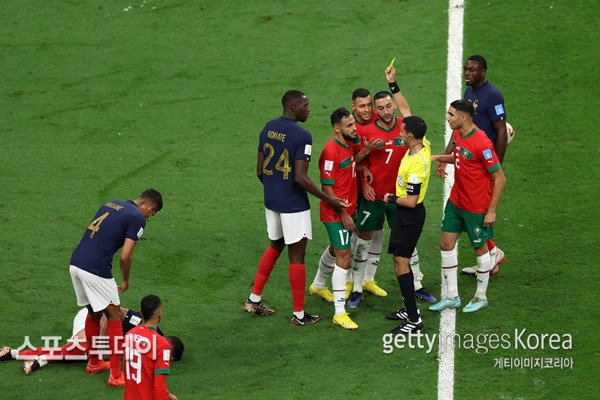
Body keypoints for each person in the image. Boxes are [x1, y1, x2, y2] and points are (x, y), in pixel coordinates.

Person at [244, 90, 348, 326]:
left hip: (271, 200)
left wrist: (275, 189)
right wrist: (328, 199)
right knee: (297, 257)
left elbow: (260, 171)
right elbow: (301, 177)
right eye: (305, 105)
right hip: (293, 204)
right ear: (293, 108)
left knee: (276, 245)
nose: (309, 109)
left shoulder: (268, 128)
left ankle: (254, 299)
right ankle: (299, 315)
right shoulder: (302, 136)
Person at [349, 66, 435, 308]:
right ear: (374, 111)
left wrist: (393, 84)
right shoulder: (365, 130)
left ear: (394, 106)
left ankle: (417, 284)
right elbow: (353, 162)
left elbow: (407, 109)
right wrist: (365, 176)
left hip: (400, 198)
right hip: (374, 195)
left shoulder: (405, 129)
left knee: (409, 244)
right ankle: (357, 287)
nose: (385, 111)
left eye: (389, 106)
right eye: (380, 108)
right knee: (363, 240)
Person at [69, 189, 163, 386]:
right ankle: (116, 375)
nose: (148, 217)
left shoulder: (111, 204)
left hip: (76, 263)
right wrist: (126, 280)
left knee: (94, 313)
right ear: (150, 207)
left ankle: (94, 363)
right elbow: (125, 256)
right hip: (96, 268)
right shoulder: (138, 218)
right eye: (151, 214)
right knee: (116, 317)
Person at [429, 100, 506, 313]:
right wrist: (438, 158)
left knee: (480, 249)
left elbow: (499, 178)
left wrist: (491, 210)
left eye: (451, 114)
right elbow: (461, 156)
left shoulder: (483, 143)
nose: (447, 117)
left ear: (463, 117)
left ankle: (480, 297)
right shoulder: (458, 134)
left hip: (477, 207)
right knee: (446, 244)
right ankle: (452, 295)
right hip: (456, 202)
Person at [437, 55, 508, 275]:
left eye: (472, 70)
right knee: (469, 208)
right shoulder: (469, 92)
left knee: (477, 210)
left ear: (483, 72)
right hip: (469, 159)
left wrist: (495, 165)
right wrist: (447, 154)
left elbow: (501, 130)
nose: (467, 73)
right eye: (466, 69)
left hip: (482, 163)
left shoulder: (493, 95)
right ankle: (491, 254)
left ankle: (490, 255)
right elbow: (459, 129)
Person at [309, 108, 379, 330]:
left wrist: (364, 155)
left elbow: (349, 162)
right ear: (337, 128)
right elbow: (326, 188)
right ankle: (340, 313)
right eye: (349, 126)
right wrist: (344, 214)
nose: (354, 128)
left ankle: (318, 285)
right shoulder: (330, 152)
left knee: (336, 248)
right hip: (335, 212)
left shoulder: (348, 144)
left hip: (347, 207)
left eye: (353, 124)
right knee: (344, 256)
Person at [0, 306, 183, 379]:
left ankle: (13, 353)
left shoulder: (151, 348)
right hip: (92, 320)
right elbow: (109, 314)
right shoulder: (135, 320)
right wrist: (96, 343)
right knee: (85, 349)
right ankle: (40, 360)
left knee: (83, 353)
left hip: (101, 341)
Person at [383, 116, 431, 334]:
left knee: (401, 264)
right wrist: (394, 85)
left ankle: (414, 319)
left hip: (409, 215)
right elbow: (405, 109)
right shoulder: (424, 146)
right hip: (408, 216)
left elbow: (411, 201)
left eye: (402, 132)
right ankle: (408, 307)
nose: (399, 134)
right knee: (400, 261)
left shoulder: (415, 165)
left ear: (410, 136)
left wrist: (390, 198)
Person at [124, 295, 178, 400]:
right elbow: (158, 386)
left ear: (140, 311)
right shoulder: (161, 344)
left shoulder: (129, 335)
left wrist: (168, 395)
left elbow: (143, 372)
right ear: (160, 314)